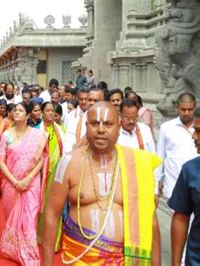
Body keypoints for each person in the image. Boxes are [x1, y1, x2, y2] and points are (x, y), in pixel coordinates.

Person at [43, 102, 161, 265]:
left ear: (119, 126)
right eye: (94, 123)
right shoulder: (68, 162)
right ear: (86, 126)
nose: (100, 129)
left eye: (108, 124)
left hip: (126, 260)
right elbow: (51, 215)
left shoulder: (136, 164)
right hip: (80, 259)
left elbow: (150, 220)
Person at [0, 103, 47, 265]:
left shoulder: (37, 136)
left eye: (21, 111)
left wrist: (28, 178)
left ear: (27, 116)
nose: (17, 112)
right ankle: (13, 250)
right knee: (12, 216)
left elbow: (41, 159)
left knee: (30, 218)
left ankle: (29, 254)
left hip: (31, 183)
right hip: (11, 183)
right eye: (15, 110)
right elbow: (1, 162)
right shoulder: (6, 136)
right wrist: (15, 181)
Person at [168, 108, 200, 265]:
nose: (194, 136)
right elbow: (180, 217)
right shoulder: (190, 170)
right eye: (195, 130)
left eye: (199, 131)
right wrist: (175, 263)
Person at [36, 101, 66, 250]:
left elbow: (65, 152)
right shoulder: (36, 130)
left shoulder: (61, 131)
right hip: (40, 174)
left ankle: (54, 242)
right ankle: (39, 237)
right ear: (42, 113)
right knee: (39, 207)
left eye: (52, 111)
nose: (50, 113)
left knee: (56, 208)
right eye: (47, 110)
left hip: (57, 174)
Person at [156, 92, 197, 199]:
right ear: (177, 108)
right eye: (183, 109)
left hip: (196, 185)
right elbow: (160, 156)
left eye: (190, 109)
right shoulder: (166, 128)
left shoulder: (198, 128)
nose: (186, 113)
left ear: (195, 107)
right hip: (173, 186)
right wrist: (157, 181)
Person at [64, 87, 106, 154]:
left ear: (103, 103)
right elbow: (68, 151)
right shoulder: (74, 124)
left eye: (96, 101)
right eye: (90, 100)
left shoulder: (111, 124)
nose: (92, 103)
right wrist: (90, 132)